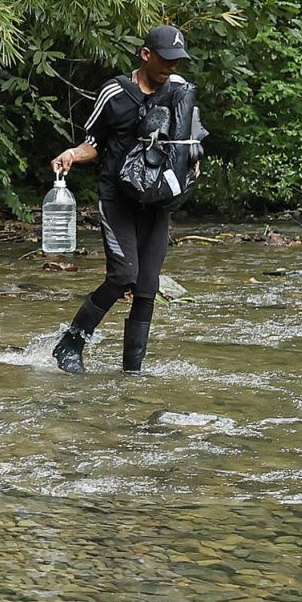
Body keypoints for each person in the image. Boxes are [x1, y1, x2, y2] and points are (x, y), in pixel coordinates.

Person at [49, 24, 197, 375]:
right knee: (123, 275)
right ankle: (71, 342)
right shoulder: (114, 92)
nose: (171, 67)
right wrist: (71, 154)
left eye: (177, 62)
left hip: (156, 201)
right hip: (117, 198)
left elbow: (188, 141)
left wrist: (192, 164)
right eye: (165, 59)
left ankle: (132, 371)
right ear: (146, 55)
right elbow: (94, 143)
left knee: (147, 286)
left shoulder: (179, 92)